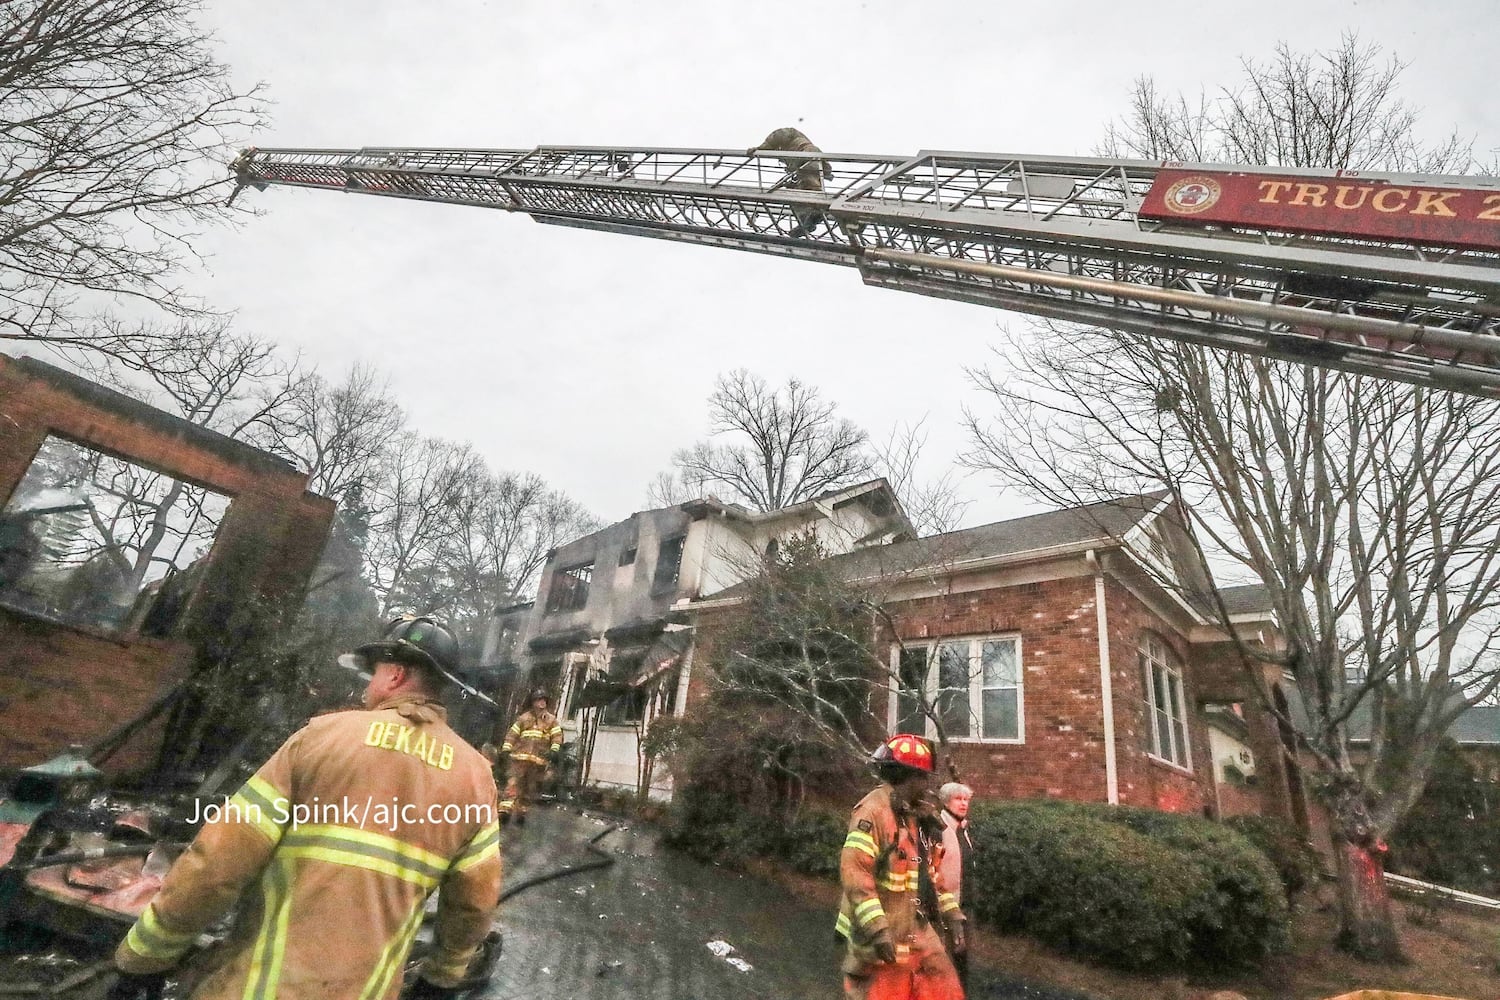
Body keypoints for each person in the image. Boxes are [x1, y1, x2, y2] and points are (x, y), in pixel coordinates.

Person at [107, 615, 502, 1000]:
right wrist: (444, 975)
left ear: (395, 675)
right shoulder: (476, 777)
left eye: (375, 673)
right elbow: (474, 901)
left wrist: (146, 955)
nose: (368, 687)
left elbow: (217, 864)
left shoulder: (319, 738)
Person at [836, 734, 965, 1000]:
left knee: (945, 991)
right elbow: (856, 875)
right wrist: (878, 930)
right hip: (885, 932)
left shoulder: (916, 815)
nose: (928, 784)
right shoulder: (872, 812)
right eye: (924, 777)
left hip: (915, 928)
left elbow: (930, 874)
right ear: (910, 776)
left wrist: (952, 915)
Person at [491, 688, 562, 826]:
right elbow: (512, 734)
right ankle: (505, 812)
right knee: (513, 784)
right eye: (538, 699)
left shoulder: (551, 721)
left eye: (544, 700)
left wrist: (553, 751)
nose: (542, 703)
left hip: (538, 762)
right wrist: (506, 749)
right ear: (533, 702)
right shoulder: (524, 718)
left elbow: (557, 737)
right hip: (519, 759)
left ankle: (522, 814)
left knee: (530, 789)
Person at [748, 126, 834, 238]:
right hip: (809, 159)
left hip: (806, 156)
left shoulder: (788, 136)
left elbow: (778, 135)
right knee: (797, 194)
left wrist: (759, 149)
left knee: (809, 189)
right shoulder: (794, 146)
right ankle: (811, 218)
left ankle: (811, 217)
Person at [936, 781, 975, 989]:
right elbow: (934, 870)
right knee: (947, 962)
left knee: (961, 961)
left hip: (964, 906)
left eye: (966, 800)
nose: (963, 804)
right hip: (946, 908)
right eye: (958, 799)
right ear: (946, 801)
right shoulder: (940, 829)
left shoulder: (963, 828)